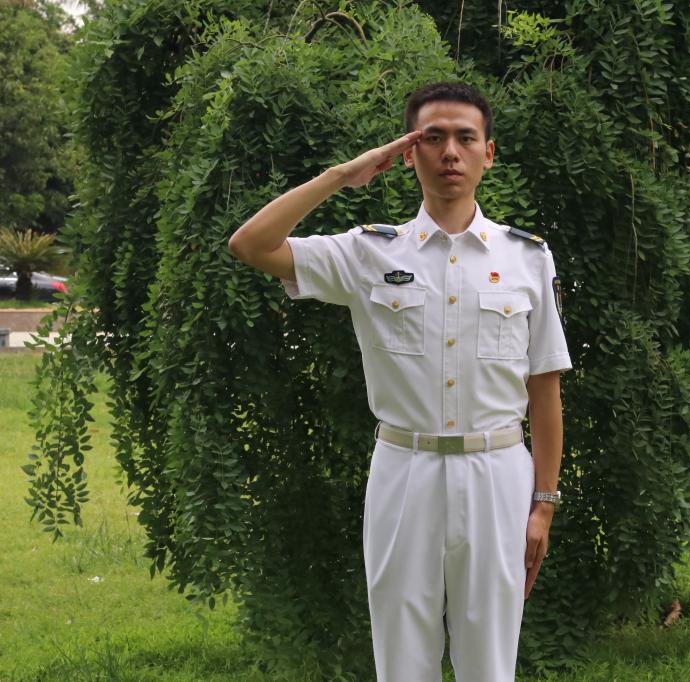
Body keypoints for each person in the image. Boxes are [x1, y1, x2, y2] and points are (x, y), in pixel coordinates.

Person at [227, 81, 571, 681]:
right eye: (432, 138)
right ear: (409, 153)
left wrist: (543, 503)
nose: (450, 153)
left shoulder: (526, 259)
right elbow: (251, 244)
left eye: (466, 138)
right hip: (403, 471)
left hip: (498, 475)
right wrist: (341, 176)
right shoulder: (369, 254)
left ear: (489, 153)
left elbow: (544, 388)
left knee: (490, 663)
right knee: (401, 658)